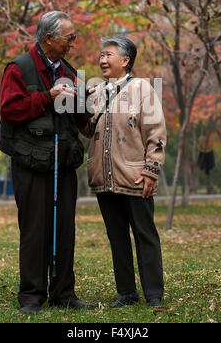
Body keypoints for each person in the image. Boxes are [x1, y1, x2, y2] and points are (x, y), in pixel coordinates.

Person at [0, 11, 94, 314]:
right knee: (35, 229)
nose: (73, 43)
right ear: (49, 38)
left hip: (63, 162)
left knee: (65, 228)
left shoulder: (68, 70)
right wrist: (47, 96)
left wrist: (86, 101)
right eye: (69, 37)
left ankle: (64, 293)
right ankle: (31, 296)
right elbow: (10, 110)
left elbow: (80, 119)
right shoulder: (19, 68)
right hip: (31, 163)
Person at [81, 36, 166, 307]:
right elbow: (87, 131)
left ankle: (154, 293)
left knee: (145, 235)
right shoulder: (97, 92)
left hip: (135, 177)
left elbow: (156, 133)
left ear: (125, 60)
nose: (102, 60)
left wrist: (152, 171)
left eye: (107, 55)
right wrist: (80, 107)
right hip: (105, 178)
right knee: (117, 237)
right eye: (101, 55)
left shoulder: (143, 89)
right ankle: (127, 292)